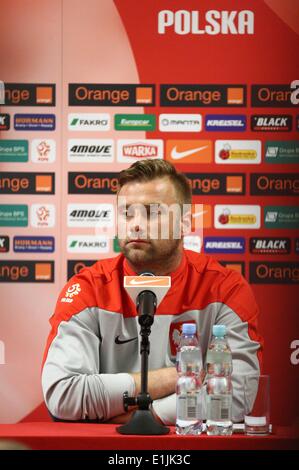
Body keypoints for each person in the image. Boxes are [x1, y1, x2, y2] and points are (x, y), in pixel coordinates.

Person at [41, 159, 263, 425]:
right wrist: (174, 378)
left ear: (184, 224)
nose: (135, 224)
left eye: (152, 212)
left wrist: (147, 415)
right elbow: (63, 395)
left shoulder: (226, 289)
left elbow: (235, 398)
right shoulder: (88, 289)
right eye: (127, 213)